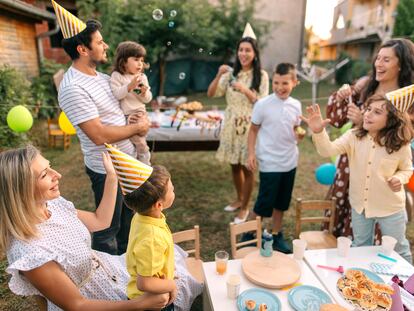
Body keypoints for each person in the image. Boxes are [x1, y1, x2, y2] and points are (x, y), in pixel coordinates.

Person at [0, 145, 169, 310]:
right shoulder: (31, 254)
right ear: (20, 190)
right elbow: (77, 305)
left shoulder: (52, 204)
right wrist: (140, 304)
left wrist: (111, 176)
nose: (57, 175)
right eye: (44, 175)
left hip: (107, 274)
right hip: (93, 301)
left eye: (50, 167)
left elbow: (100, 221)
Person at [53, 1, 150, 255]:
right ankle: (110, 276)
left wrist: (139, 117)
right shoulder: (74, 88)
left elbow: (122, 108)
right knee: (108, 227)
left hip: (128, 160)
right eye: (100, 42)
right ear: (83, 49)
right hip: (108, 169)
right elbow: (98, 135)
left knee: (131, 220)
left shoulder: (103, 78)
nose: (106, 46)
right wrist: (137, 128)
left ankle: (128, 267)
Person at [302, 90, 414, 263]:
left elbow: (407, 169)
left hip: (390, 207)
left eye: (377, 112)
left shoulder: (400, 144)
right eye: (368, 109)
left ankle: (409, 285)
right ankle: (365, 279)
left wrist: (399, 178)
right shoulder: (354, 136)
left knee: (399, 247)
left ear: (392, 119)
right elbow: (327, 150)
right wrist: (318, 132)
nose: (368, 114)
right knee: (361, 245)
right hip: (360, 205)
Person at [325, 38, 414, 239]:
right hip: (353, 167)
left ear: (401, 64)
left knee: (377, 227)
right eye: (378, 58)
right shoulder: (366, 88)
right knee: (346, 218)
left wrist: (361, 124)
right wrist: (342, 95)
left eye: (386, 60)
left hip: (383, 172)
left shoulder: (408, 97)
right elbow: (336, 119)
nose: (378, 64)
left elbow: (406, 136)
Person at [105, 144, 202, 311]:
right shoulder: (152, 237)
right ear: (159, 204)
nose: (174, 189)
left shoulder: (141, 216)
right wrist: (171, 285)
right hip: (152, 302)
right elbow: (145, 282)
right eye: (171, 189)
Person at [207, 23, 269, 223]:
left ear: (255, 53)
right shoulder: (230, 74)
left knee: (248, 167)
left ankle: (245, 207)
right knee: (234, 165)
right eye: (241, 50)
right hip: (231, 125)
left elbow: (262, 102)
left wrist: (244, 89)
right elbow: (211, 94)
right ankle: (239, 198)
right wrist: (219, 74)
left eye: (247, 50)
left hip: (250, 126)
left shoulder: (262, 76)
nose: (243, 53)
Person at [246, 63, 303, 253]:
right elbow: (253, 130)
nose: (279, 87)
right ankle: (247, 233)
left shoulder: (296, 105)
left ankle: (277, 234)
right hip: (270, 161)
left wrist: (299, 135)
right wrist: (251, 153)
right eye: (276, 82)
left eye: (285, 83)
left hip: (290, 161)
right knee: (264, 203)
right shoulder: (263, 104)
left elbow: (294, 129)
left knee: (282, 202)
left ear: (294, 82)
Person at [110, 41, 152, 165]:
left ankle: (143, 162)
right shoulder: (117, 76)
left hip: (140, 113)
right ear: (123, 61)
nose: (140, 63)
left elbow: (148, 99)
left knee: (140, 139)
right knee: (138, 142)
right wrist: (129, 86)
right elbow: (117, 94)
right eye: (136, 59)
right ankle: (143, 161)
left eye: (142, 60)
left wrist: (144, 93)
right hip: (128, 115)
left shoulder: (142, 77)